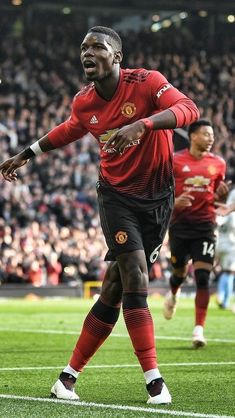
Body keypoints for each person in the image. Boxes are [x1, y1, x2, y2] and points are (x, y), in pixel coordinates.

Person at [0, 26, 199, 404]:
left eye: (98, 46)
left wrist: (142, 123)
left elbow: (189, 109)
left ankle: (67, 378)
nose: (87, 52)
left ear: (117, 57)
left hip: (158, 199)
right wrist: (27, 153)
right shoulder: (85, 102)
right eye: (83, 47)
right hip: (116, 197)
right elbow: (70, 129)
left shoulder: (147, 83)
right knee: (136, 276)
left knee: (113, 288)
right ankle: (154, 380)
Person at [163, 119, 229, 348]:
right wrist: (174, 202)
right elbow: (160, 190)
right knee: (179, 272)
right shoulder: (175, 161)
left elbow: (218, 198)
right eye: (206, 134)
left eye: (212, 135)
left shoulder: (218, 164)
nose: (211, 138)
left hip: (205, 227)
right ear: (192, 136)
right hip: (179, 227)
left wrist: (221, 197)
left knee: (203, 278)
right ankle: (174, 292)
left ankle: (198, 330)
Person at [215, 188, 235, 309]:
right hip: (230, 245)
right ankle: (224, 299)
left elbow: (217, 224)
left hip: (219, 244)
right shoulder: (232, 215)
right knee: (230, 272)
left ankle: (221, 295)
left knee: (224, 271)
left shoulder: (222, 212)